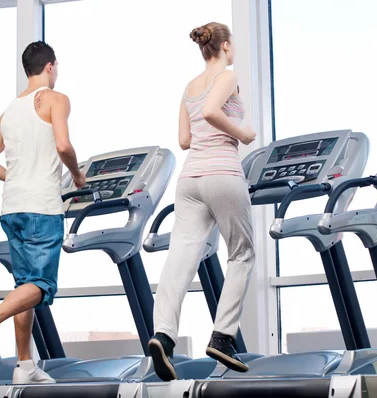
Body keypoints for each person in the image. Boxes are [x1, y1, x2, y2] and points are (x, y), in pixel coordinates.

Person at [0, 41, 86, 384]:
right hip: (41, 207)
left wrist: (16, 176)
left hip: (11, 206)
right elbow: (63, 145)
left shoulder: (9, 111)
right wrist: (76, 175)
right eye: (55, 68)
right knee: (41, 285)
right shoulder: (57, 100)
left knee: (24, 285)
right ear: (49, 67)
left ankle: (25, 366)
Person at [148, 22, 257, 382]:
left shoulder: (188, 87)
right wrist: (243, 134)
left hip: (189, 180)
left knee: (180, 258)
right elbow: (212, 111)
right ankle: (222, 337)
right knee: (241, 253)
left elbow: (184, 139)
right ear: (225, 45)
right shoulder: (227, 75)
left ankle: (163, 334)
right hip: (223, 174)